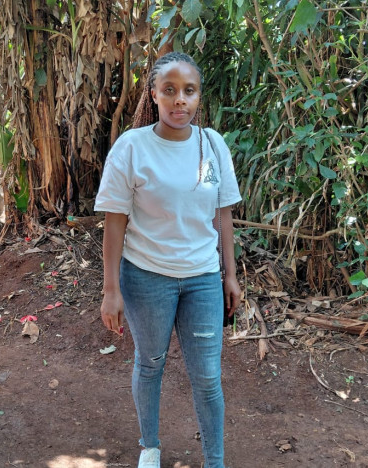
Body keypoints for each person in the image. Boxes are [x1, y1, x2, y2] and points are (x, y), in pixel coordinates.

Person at [95, 51, 242, 468]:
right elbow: (115, 222)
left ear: (198, 96)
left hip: (202, 279)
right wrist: (110, 290)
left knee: (208, 377)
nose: (180, 100)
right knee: (150, 363)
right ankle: (150, 446)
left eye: (189, 91)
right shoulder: (132, 147)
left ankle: (215, 461)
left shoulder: (213, 145)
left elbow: (223, 215)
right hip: (146, 278)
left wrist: (230, 275)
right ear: (154, 94)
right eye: (170, 90)